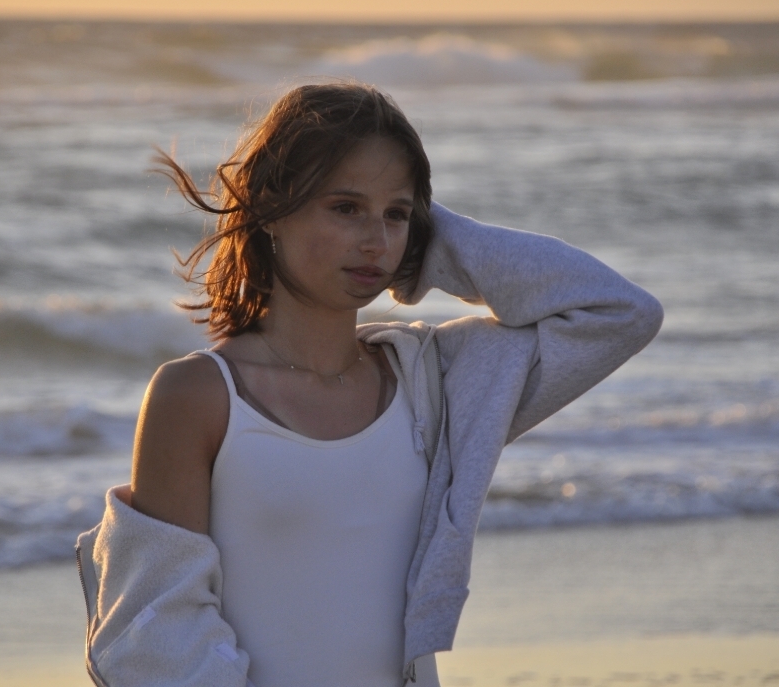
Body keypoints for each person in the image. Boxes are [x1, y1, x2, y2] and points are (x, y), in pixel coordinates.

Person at [75, 82, 663, 687]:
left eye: (395, 215)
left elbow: (618, 313)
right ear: (272, 208)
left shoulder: (432, 384)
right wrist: (397, 214)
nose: (375, 242)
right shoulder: (198, 396)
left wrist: (430, 242)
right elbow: (160, 631)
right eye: (345, 208)